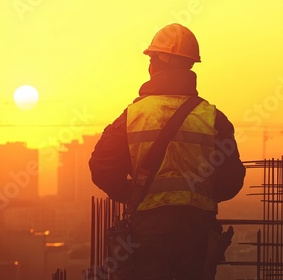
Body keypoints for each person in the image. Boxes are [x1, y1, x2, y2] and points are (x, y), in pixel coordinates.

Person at [88, 23, 246, 280]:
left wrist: (131, 194)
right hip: (196, 232)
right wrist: (201, 195)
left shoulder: (134, 115)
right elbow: (232, 179)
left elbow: (102, 167)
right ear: (189, 66)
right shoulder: (212, 118)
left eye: (151, 58)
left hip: (148, 233)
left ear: (160, 61)